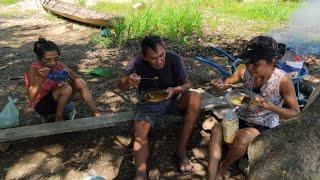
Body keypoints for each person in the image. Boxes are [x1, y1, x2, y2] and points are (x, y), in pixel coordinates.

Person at [208, 36, 300, 180]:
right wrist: (219, 84)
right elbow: (226, 83)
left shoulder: (283, 80)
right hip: (241, 116)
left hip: (264, 124)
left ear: (273, 62)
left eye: (255, 64)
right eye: (247, 62)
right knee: (217, 129)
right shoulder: (244, 71)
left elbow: (296, 113)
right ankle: (211, 176)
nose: (250, 68)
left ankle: (223, 168)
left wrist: (271, 107)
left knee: (242, 138)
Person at [117, 35, 201, 180]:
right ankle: (141, 175)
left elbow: (187, 84)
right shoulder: (137, 62)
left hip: (173, 99)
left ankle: (181, 150)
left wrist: (174, 90)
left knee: (196, 97)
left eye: (161, 55)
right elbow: (121, 85)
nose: (159, 61)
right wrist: (129, 81)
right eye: (153, 58)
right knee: (140, 134)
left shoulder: (174, 59)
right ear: (144, 57)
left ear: (165, 49)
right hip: (148, 103)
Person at [25, 38, 101, 122]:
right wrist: (39, 79)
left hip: (55, 100)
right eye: (48, 60)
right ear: (40, 59)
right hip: (41, 105)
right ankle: (59, 119)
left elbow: (76, 78)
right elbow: (31, 98)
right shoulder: (34, 69)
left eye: (56, 58)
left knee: (80, 82)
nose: (53, 63)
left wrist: (74, 75)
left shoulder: (58, 65)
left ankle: (97, 113)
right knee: (66, 89)